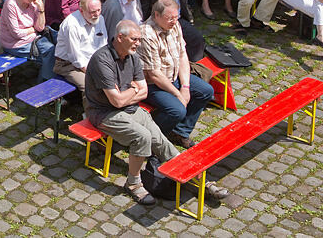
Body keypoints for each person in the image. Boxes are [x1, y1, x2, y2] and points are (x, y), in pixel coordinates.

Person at [84, 20, 227, 206]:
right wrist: (133, 91)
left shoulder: (133, 57)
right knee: (142, 137)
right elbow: (116, 101)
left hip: (129, 108)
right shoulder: (102, 60)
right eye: (134, 39)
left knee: (160, 140)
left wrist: (130, 92)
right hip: (103, 113)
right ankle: (133, 183)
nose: (138, 43)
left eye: (139, 39)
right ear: (120, 38)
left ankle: (199, 180)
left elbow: (142, 91)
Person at [139, 0, 214, 148]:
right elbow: (154, 74)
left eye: (176, 17)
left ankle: (180, 131)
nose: (174, 21)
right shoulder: (146, 34)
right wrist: (178, 95)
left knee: (205, 91)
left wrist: (185, 87)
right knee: (177, 110)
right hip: (153, 84)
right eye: (170, 18)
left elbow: (182, 55)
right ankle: (152, 139)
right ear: (156, 16)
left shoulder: (174, 25)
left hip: (173, 76)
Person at [0, 0, 56, 81]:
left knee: (52, 51)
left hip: (33, 38)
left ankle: (45, 84)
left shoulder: (33, 3)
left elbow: (40, 27)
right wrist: (32, 29)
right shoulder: (11, 4)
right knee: (50, 58)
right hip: (15, 43)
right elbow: (16, 33)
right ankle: (44, 89)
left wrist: (41, 9)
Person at [53, 0, 108, 94]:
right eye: (92, 12)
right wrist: (93, 73)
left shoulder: (100, 19)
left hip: (92, 61)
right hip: (68, 65)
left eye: (99, 10)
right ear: (81, 10)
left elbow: (103, 45)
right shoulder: (72, 25)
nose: (97, 14)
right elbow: (76, 58)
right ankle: (91, 109)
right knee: (90, 86)